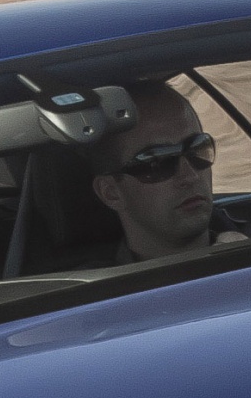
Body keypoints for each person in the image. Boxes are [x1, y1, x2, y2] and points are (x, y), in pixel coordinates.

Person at [89, 80, 239, 263]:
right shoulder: (99, 291)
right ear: (111, 193)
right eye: (157, 162)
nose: (190, 176)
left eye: (197, 149)